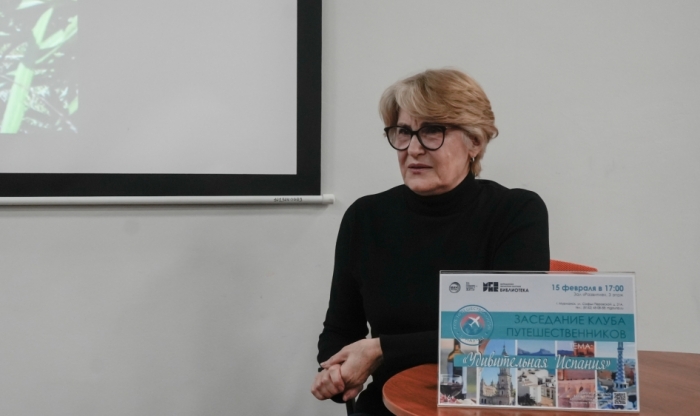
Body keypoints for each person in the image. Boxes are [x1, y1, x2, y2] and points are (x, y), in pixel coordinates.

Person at [310, 68, 549, 415]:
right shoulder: (365, 217)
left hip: (483, 406)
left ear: (475, 142)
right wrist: (334, 372)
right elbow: (339, 330)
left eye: (432, 131)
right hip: (390, 406)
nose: (413, 148)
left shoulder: (516, 212)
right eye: (403, 132)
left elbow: (506, 333)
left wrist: (380, 350)